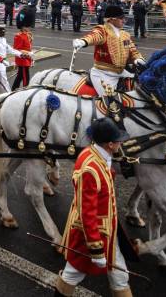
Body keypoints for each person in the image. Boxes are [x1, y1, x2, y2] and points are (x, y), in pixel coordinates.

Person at [54, 118, 132, 297]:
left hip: (107, 230)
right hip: (91, 233)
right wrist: (96, 249)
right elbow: (87, 213)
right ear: (110, 144)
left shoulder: (95, 153)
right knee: (72, 274)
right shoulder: (90, 168)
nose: (120, 143)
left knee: (120, 275)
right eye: (118, 141)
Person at [72, 4, 145, 98]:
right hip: (103, 74)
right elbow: (94, 36)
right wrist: (84, 41)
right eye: (121, 18)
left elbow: (132, 50)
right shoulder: (102, 30)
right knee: (110, 101)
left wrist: (138, 59)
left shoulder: (125, 34)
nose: (124, 20)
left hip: (121, 72)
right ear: (111, 19)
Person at [0, 25, 22, 95]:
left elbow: (9, 49)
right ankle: (8, 95)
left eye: (4, 31)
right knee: (4, 80)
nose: (4, 33)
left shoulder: (3, 40)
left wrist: (20, 54)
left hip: (3, 63)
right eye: (2, 32)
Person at [12, 22, 34, 89]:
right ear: (23, 27)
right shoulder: (19, 36)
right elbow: (16, 49)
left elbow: (29, 47)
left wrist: (31, 58)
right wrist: (28, 53)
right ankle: (25, 90)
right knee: (25, 77)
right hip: (22, 59)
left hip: (27, 58)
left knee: (20, 76)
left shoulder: (28, 35)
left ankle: (14, 89)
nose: (29, 28)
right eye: (27, 26)